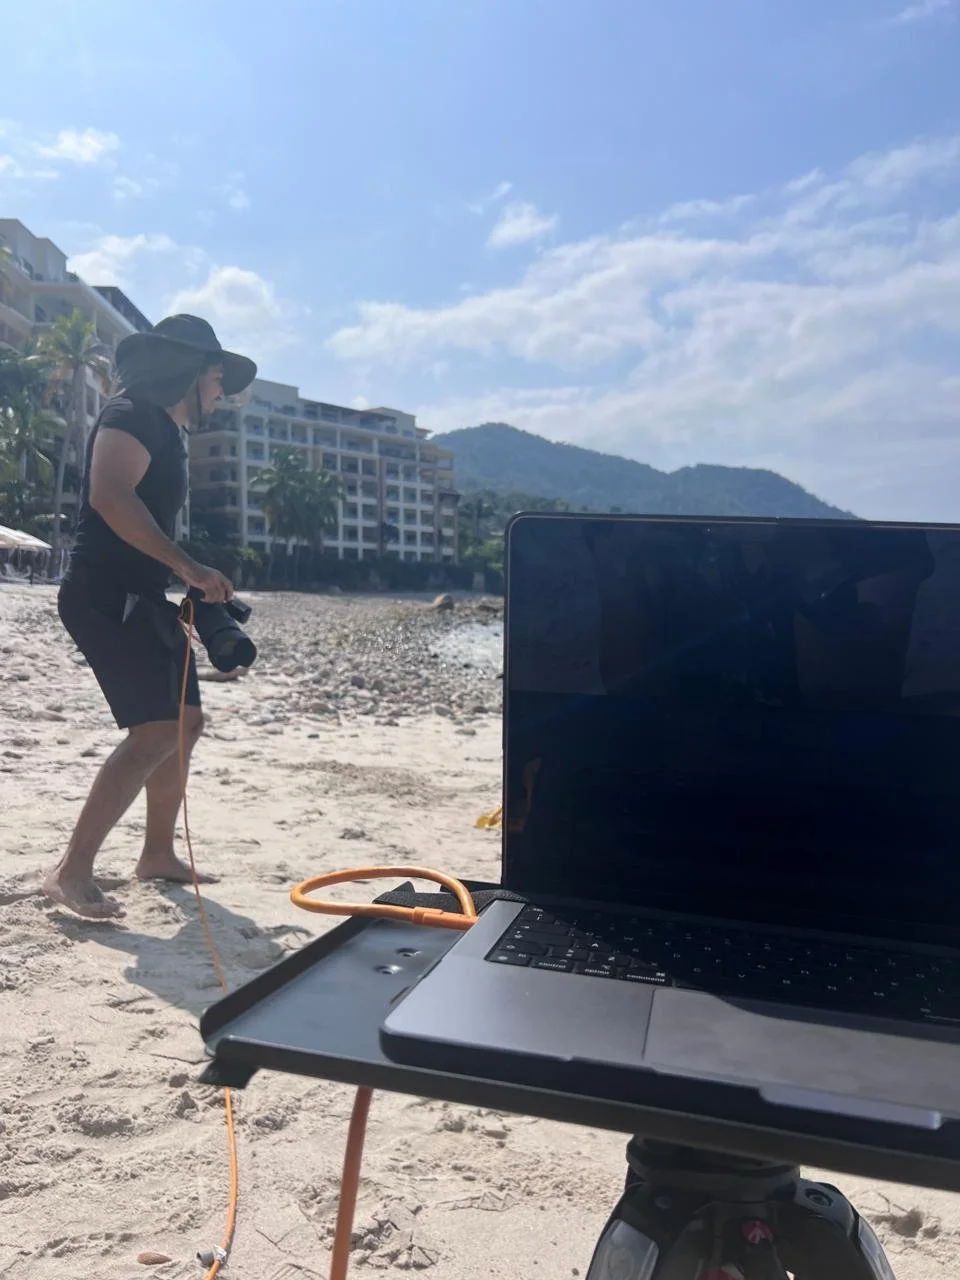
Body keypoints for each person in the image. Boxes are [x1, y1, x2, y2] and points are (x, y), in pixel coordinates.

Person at [43, 315, 257, 919]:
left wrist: (187, 579)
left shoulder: (167, 430)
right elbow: (109, 494)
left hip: (142, 596)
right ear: (189, 374)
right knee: (157, 732)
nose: (222, 390)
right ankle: (70, 872)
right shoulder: (131, 412)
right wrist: (187, 566)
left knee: (186, 721)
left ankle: (157, 854)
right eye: (218, 377)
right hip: (104, 597)